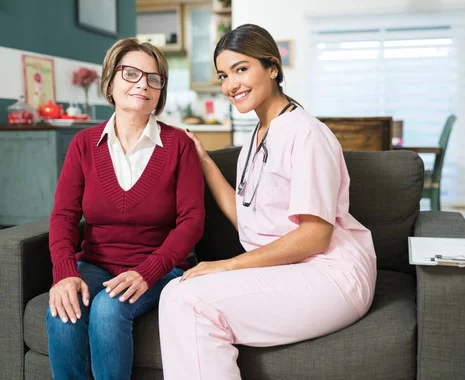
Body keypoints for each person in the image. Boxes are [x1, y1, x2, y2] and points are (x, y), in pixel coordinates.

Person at [158, 24, 377, 379]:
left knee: (188, 301)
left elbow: (314, 237)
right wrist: (204, 160)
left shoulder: (305, 133)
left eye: (241, 69)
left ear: (272, 67)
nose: (231, 85)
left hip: (331, 273)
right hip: (290, 270)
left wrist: (226, 265)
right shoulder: (257, 136)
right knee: (176, 292)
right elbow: (246, 219)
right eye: (223, 76)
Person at [46, 38, 205, 379]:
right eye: (131, 73)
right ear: (110, 81)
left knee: (107, 308)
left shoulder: (179, 146)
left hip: (161, 268)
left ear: (160, 91)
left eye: (153, 78)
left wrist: (148, 271)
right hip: (95, 263)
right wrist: (64, 272)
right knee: (62, 310)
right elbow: (63, 216)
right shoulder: (83, 144)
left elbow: (192, 222)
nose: (142, 85)